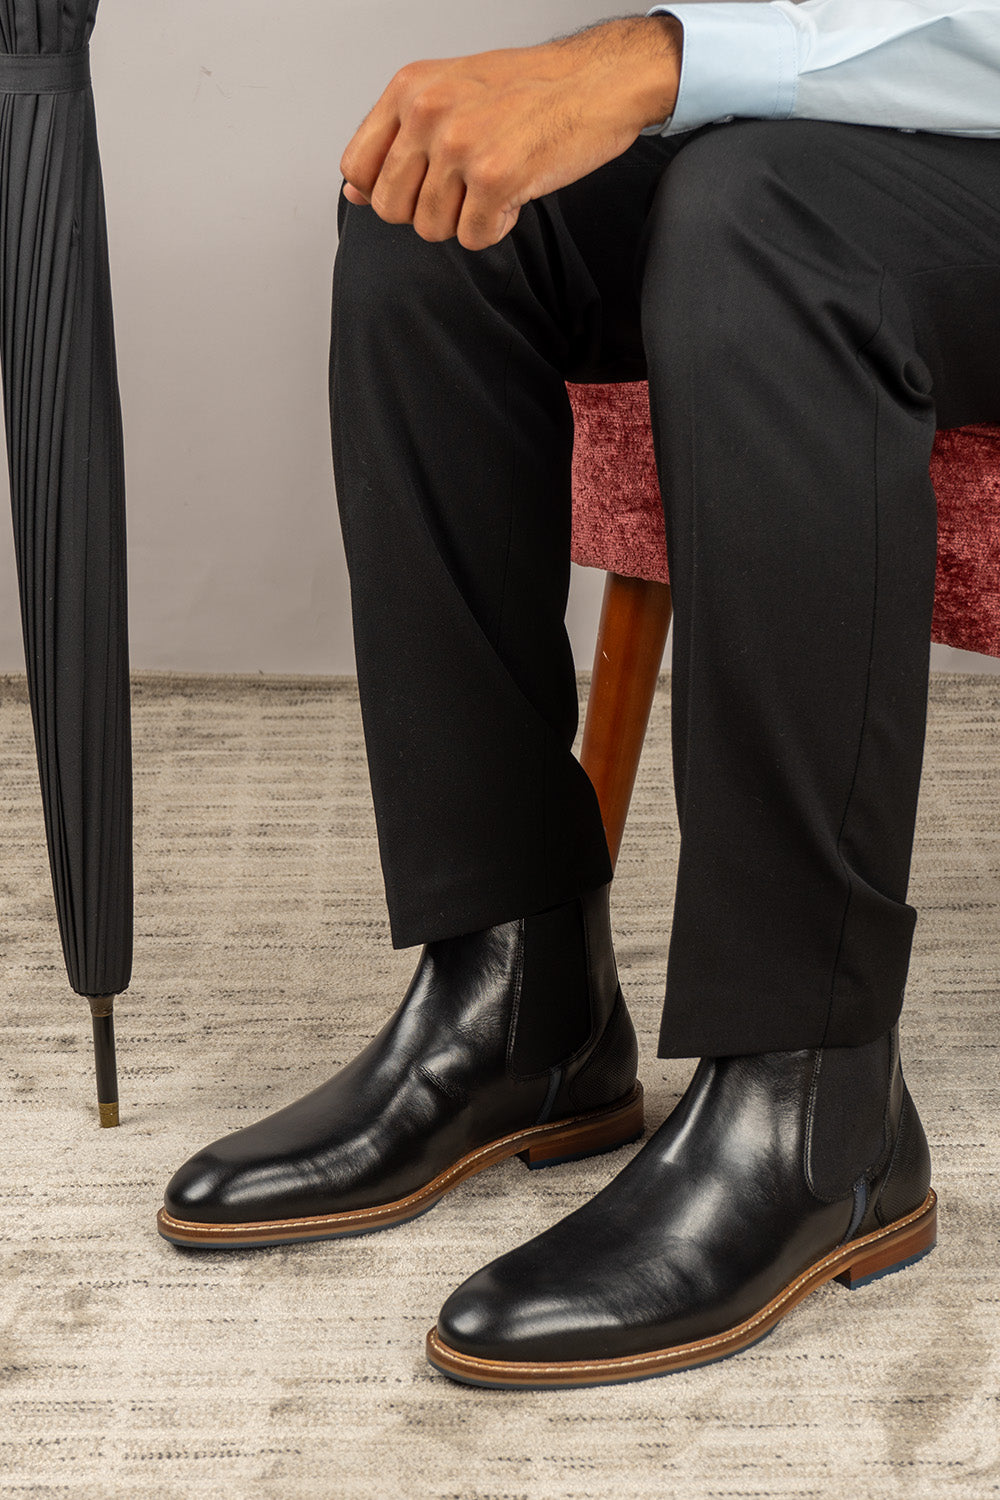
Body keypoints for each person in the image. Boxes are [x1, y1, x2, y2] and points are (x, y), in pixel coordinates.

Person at [157, 2, 1000, 1388]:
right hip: (867, 111)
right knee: (440, 202)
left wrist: (654, 60)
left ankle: (815, 1104)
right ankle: (515, 998)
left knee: (764, 220)